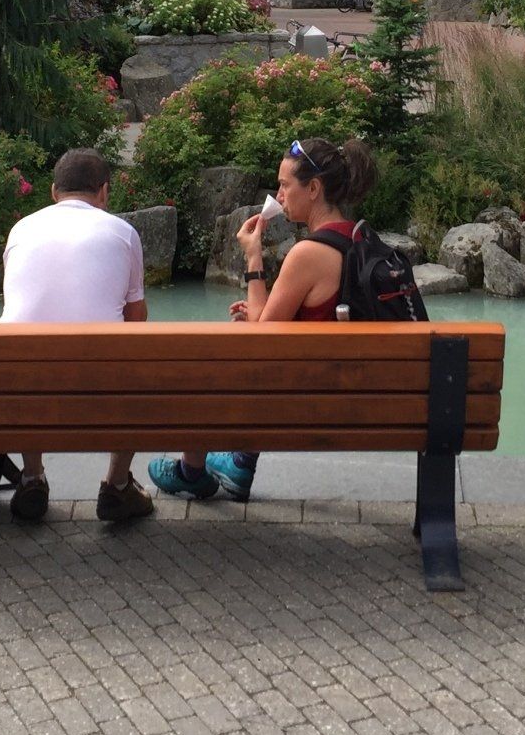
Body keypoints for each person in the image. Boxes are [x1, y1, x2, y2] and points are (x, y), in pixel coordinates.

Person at [149, 136, 378, 503]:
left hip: (308, 402)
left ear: (314, 189)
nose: (280, 195)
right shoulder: (361, 240)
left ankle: (191, 471)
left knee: (202, 362)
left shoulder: (309, 253)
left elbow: (262, 341)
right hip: (361, 394)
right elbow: (280, 328)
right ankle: (239, 460)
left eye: (286, 185)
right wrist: (261, 313)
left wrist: (253, 258)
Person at [0, 147, 155, 524]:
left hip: (19, 393)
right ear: (103, 192)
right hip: (98, 392)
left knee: (23, 356)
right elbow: (136, 323)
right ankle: (117, 485)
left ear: (54, 192)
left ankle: (33, 476)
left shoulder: (21, 230)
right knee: (137, 361)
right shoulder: (123, 233)